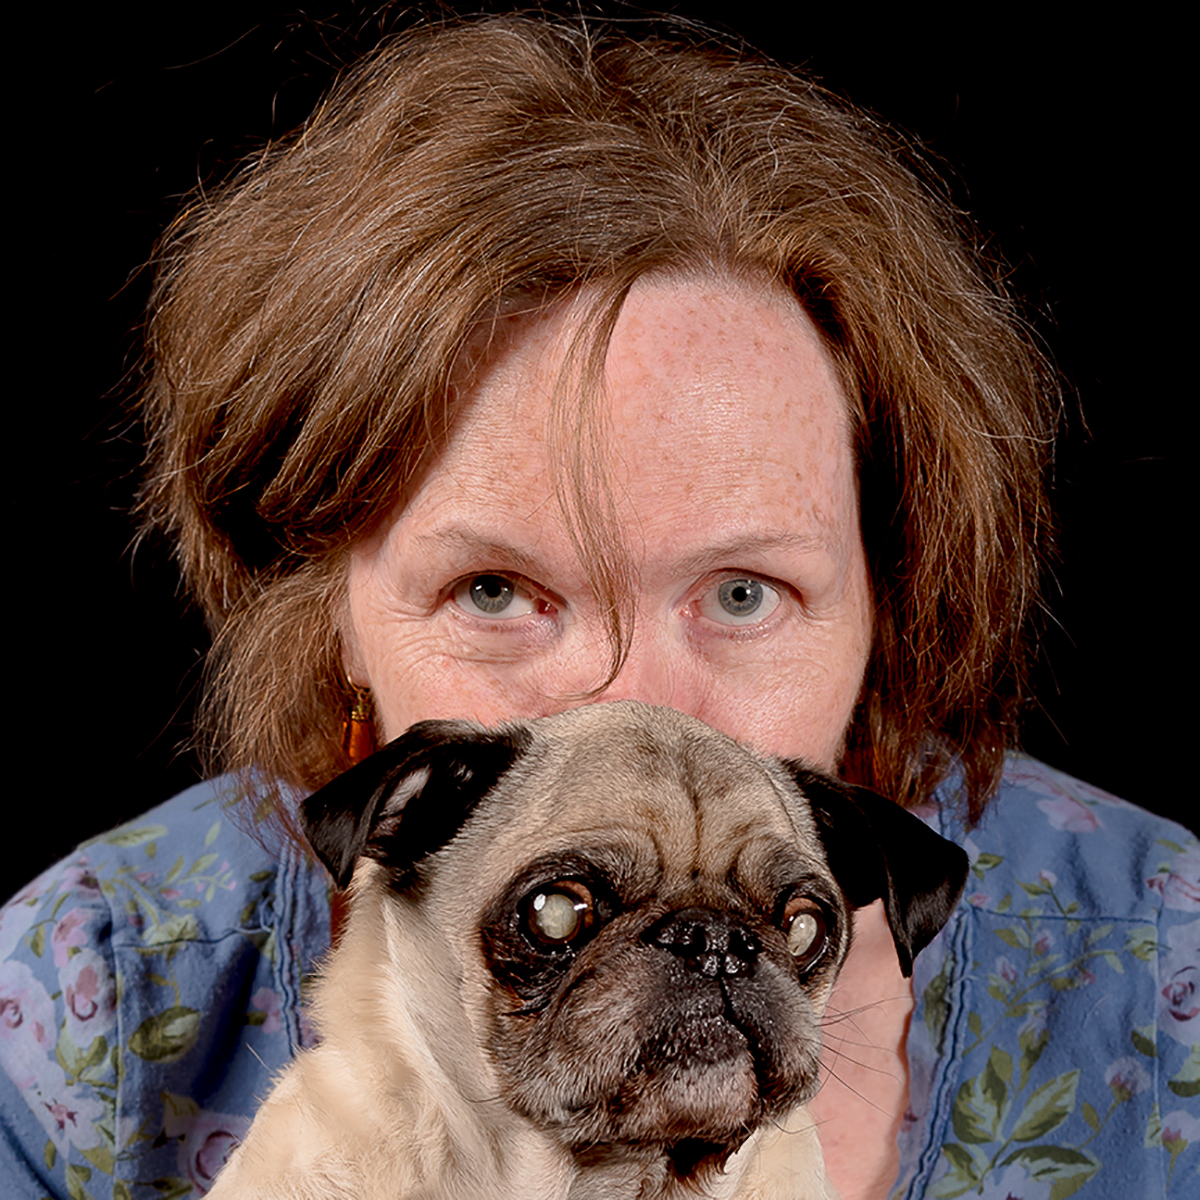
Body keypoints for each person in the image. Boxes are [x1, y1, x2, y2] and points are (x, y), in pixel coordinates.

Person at [2, 13, 1194, 1199]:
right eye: (497, 591)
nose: (630, 705)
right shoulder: (87, 995)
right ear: (325, 610)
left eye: (741, 593)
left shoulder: (1167, 966)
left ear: (893, 597)